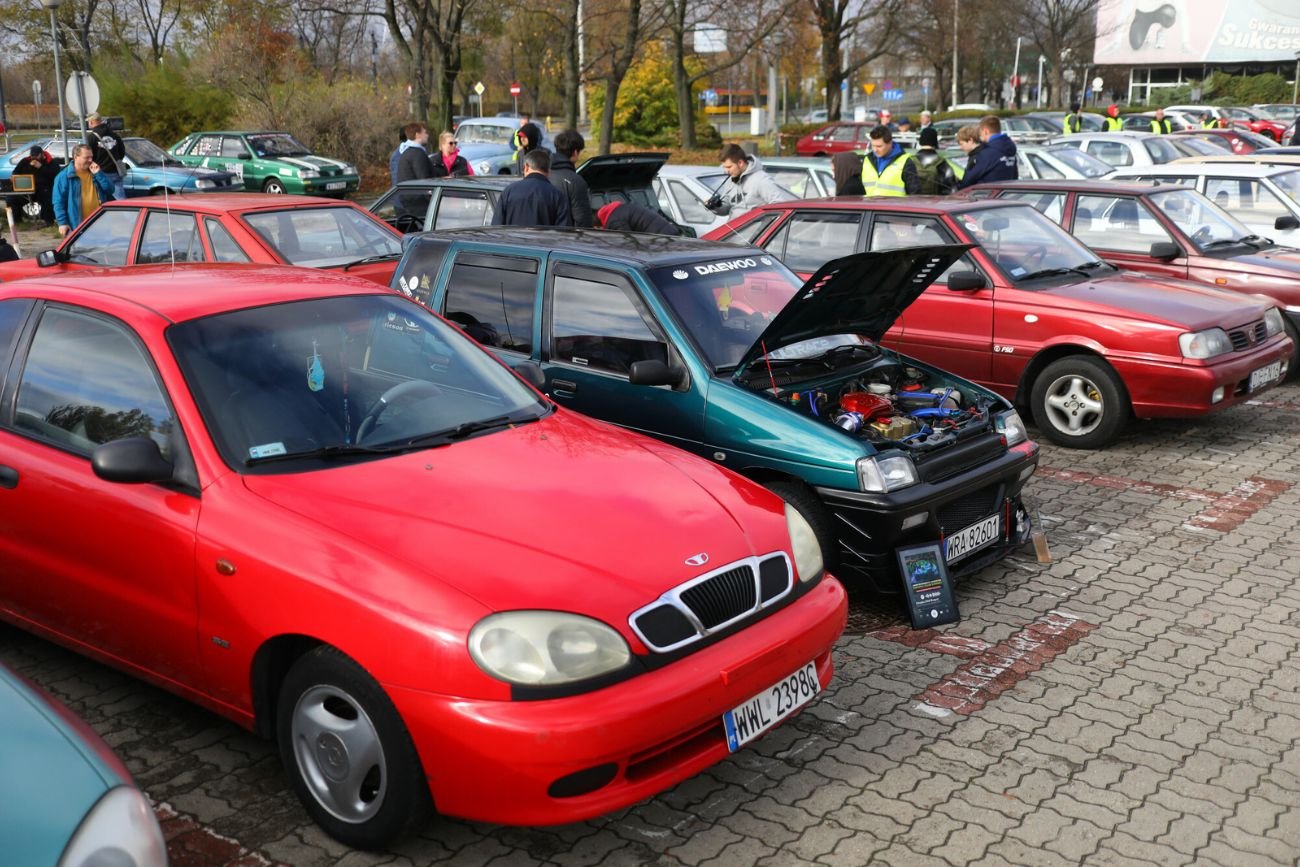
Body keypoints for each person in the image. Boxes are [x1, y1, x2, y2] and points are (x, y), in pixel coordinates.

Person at [705, 144, 796, 216]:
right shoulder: (731, 180)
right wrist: (715, 207)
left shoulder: (761, 180)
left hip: (754, 236)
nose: (726, 171)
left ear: (740, 163)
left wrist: (762, 222)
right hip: (733, 233)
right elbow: (727, 208)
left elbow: (779, 205)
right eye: (724, 167)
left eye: (729, 167)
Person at [491, 149, 572, 227]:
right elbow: (563, 232)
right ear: (548, 171)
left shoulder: (509, 191)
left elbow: (496, 227)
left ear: (526, 166)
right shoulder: (557, 195)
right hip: (544, 241)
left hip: (513, 240)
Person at [52, 144, 114, 236]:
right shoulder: (64, 177)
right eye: (87, 157)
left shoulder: (95, 172)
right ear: (76, 157)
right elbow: (58, 202)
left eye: (91, 157)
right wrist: (62, 223)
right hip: (77, 226)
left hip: (99, 223)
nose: (90, 160)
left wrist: (98, 174)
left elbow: (110, 190)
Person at [957, 115, 1018, 189]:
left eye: (981, 132)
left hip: (987, 196)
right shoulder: (1010, 149)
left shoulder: (987, 152)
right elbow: (1015, 176)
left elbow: (968, 180)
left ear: (986, 131)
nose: (980, 135)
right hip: (1007, 194)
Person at [547, 129, 592, 227]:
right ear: (575, 152)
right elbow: (582, 220)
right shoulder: (575, 181)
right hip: (565, 239)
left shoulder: (543, 173)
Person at [860, 125, 921, 196]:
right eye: (873, 146)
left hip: (896, 207)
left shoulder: (905, 162)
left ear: (890, 143)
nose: (875, 150)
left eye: (879, 146)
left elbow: (915, 194)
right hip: (869, 206)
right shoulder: (866, 160)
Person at [11, 145, 59, 225]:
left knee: (46, 197)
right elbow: (15, 172)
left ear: (41, 154)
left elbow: (54, 175)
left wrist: (41, 167)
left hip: (43, 188)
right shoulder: (25, 161)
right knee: (12, 198)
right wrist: (14, 177)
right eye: (32, 156)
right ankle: (17, 221)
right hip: (26, 188)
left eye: (36, 156)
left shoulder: (51, 162)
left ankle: (49, 221)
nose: (34, 158)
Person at [85, 113, 126, 201]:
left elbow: (88, 156)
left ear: (91, 122)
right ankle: (124, 214)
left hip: (100, 173)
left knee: (102, 201)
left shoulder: (91, 137)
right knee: (120, 202)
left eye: (88, 122)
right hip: (115, 171)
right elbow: (122, 152)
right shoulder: (114, 135)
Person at [913, 127, 958, 195]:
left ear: (920, 141)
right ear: (935, 142)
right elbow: (950, 186)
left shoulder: (910, 161)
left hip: (913, 203)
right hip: (935, 203)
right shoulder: (941, 162)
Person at [594, 200, 679, 235]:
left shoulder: (613, 221)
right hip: (668, 230)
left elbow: (628, 239)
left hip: (662, 236)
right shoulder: (619, 208)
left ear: (598, 225)